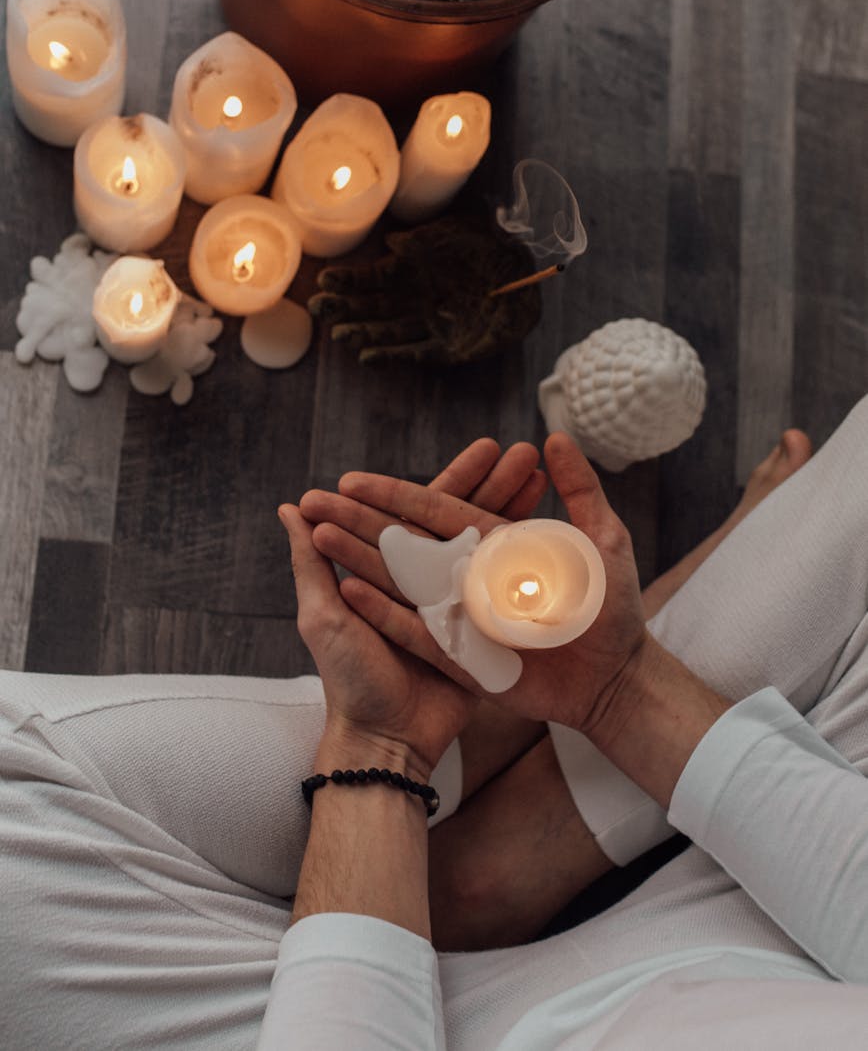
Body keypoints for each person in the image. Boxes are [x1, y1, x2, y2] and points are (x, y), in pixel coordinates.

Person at [1, 403, 867, 1049]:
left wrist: (381, 752)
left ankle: (477, 827)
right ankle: (519, 809)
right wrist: (621, 689)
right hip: (791, 954)